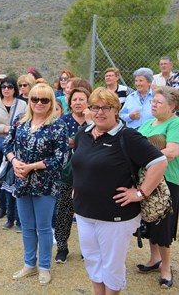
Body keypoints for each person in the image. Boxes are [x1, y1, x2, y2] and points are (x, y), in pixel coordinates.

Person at [72, 88, 167, 294]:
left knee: (112, 266)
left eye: (106, 107)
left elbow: (159, 162)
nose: (99, 112)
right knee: (92, 261)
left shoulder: (128, 137)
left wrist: (140, 193)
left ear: (117, 110)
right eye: (95, 107)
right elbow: (79, 164)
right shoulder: (84, 134)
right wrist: (76, 189)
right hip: (84, 212)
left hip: (115, 215)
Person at [4, 83, 68, 285]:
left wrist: (32, 166)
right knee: (27, 227)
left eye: (44, 99)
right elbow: (7, 144)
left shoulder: (58, 126)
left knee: (44, 227)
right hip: (22, 182)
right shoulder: (20, 122)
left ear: (51, 103)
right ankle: (29, 264)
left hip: (46, 184)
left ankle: (45, 267)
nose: (39, 103)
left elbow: (61, 158)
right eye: (35, 99)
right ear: (29, 100)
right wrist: (14, 162)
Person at [137, 86, 179, 288]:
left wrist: (144, 156)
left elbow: (171, 152)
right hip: (146, 180)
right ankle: (155, 260)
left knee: (163, 226)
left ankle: (166, 268)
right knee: (150, 221)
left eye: (159, 102)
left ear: (172, 107)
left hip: (167, 181)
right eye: (153, 101)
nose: (153, 104)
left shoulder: (175, 123)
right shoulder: (147, 123)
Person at [54, 87, 92, 264]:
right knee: (64, 209)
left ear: (88, 102)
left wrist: (75, 141)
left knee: (89, 212)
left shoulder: (94, 120)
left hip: (90, 173)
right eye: (74, 99)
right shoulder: (63, 121)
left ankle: (88, 249)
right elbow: (58, 143)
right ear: (69, 103)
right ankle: (62, 247)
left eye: (81, 99)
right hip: (67, 172)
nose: (78, 102)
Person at [0, 77, 27, 228]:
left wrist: (16, 129)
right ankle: (1, 206)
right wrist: (4, 128)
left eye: (9, 86)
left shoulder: (22, 104)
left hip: (17, 147)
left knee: (14, 178)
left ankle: (14, 212)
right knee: (0, 177)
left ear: (14, 88)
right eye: (4, 87)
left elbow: (28, 121)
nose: (6, 89)